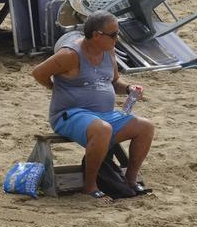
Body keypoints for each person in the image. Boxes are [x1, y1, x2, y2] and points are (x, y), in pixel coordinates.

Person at [31, 12, 155, 200]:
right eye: (113, 34)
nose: (117, 38)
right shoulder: (70, 54)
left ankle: (129, 181)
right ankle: (89, 186)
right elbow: (38, 73)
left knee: (145, 126)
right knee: (102, 129)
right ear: (97, 35)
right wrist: (55, 88)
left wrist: (129, 88)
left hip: (103, 115)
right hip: (69, 114)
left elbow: (113, 82)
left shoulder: (108, 51)